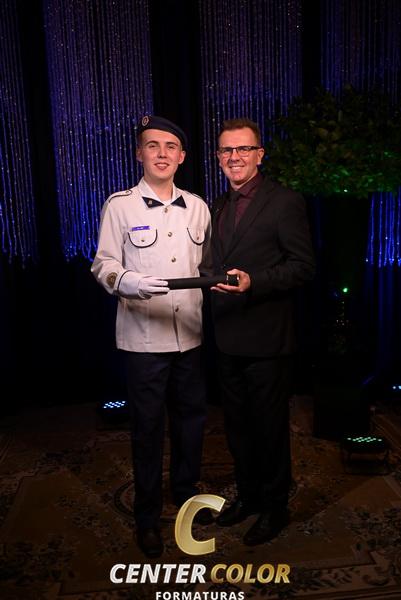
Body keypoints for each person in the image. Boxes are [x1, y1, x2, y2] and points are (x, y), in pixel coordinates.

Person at [91, 115, 212, 558]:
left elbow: (208, 267)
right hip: (144, 341)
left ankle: (185, 495)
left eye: (170, 147)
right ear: (140, 153)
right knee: (147, 430)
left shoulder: (198, 207)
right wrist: (130, 282)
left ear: (182, 157)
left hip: (191, 337)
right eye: (153, 145)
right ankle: (146, 517)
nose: (162, 153)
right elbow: (103, 264)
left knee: (191, 423)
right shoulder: (119, 206)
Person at [210, 118, 315, 546]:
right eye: (227, 150)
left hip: (268, 339)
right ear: (219, 158)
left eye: (243, 149)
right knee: (237, 428)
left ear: (259, 154)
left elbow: (303, 267)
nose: (234, 157)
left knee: (269, 429)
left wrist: (255, 281)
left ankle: (275, 508)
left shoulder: (284, 201)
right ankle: (249, 496)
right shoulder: (217, 205)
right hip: (226, 336)